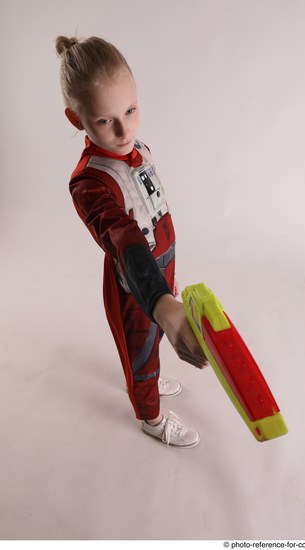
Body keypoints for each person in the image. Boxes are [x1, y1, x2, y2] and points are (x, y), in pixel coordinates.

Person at [55, 35, 208, 448]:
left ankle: (151, 377)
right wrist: (159, 301)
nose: (123, 130)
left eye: (130, 110)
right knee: (140, 354)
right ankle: (150, 417)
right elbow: (123, 239)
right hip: (134, 279)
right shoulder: (90, 181)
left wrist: (168, 292)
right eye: (105, 120)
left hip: (164, 266)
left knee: (156, 338)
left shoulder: (138, 148)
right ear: (77, 119)